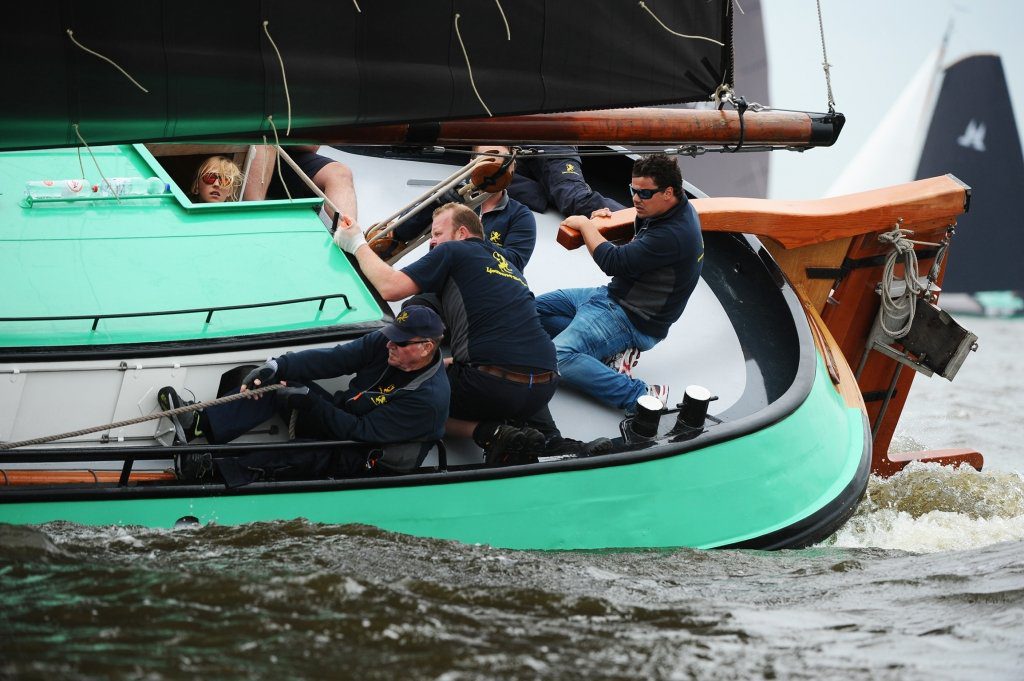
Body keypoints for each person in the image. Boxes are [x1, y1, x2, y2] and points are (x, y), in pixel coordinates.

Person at [334, 202, 555, 465]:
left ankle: (489, 432)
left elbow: (390, 288)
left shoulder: (454, 250)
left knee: (405, 395)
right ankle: (544, 438)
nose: (433, 242)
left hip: (488, 387)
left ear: (462, 233)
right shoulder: (509, 266)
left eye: (437, 234)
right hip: (543, 388)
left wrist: (357, 242)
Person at [157, 305, 450, 481]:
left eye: (399, 343)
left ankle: (209, 470)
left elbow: (362, 432)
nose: (390, 345)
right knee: (283, 382)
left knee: (304, 453)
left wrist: (309, 400)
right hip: (348, 416)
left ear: (426, 347)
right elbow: (334, 358)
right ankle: (199, 423)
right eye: (391, 338)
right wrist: (278, 365)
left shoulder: (428, 398)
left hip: (369, 454)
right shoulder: (386, 342)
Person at [535, 153, 704, 411]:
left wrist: (585, 224)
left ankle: (642, 396)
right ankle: (605, 354)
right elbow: (638, 247)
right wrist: (603, 217)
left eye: (644, 193)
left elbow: (611, 262)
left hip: (629, 318)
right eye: (632, 190)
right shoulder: (671, 209)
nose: (636, 198)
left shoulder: (673, 234)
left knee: (558, 355)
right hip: (612, 296)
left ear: (669, 192)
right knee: (531, 310)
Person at [385, 145, 536, 270]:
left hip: (484, 290)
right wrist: (437, 201)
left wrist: (471, 238)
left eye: (502, 159)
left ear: (512, 166)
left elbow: (514, 263)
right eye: (487, 158)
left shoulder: (520, 215)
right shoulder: (449, 197)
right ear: (472, 162)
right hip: (441, 283)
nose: (495, 166)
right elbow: (402, 232)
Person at [243, 144, 358, 223]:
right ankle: (252, 221)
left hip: (282, 156)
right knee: (264, 139)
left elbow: (312, 145)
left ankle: (352, 242)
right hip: (236, 154)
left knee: (339, 173)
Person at [508, 145, 624, 218]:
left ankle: (639, 222)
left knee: (575, 198)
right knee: (496, 177)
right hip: (510, 150)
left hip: (547, 138)